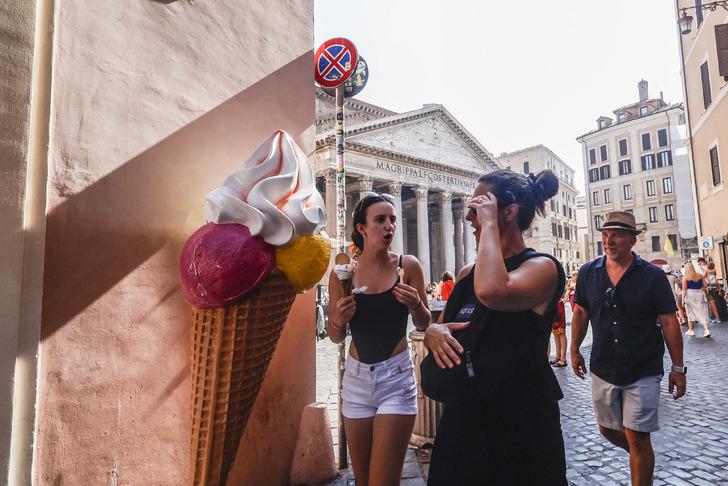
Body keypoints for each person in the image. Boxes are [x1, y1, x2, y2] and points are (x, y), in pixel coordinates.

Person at [425, 169, 567, 485]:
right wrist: (432, 333)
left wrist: (489, 225)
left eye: (478, 208)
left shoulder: (542, 267)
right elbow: (442, 326)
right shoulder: (465, 275)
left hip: (520, 425)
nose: (469, 218)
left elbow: (493, 291)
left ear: (509, 211)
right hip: (465, 419)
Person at [570, 211, 686, 486]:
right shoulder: (588, 273)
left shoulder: (653, 276)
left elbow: (670, 322)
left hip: (642, 367)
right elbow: (580, 312)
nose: (609, 241)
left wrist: (678, 368)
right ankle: (641, 455)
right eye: (606, 235)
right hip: (603, 365)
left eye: (618, 235)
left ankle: (640, 457)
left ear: (632, 240)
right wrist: (573, 349)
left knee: (637, 435)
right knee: (607, 429)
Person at [327, 191, 431, 486]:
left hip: (396, 380)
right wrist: (338, 318)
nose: (389, 227)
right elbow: (336, 337)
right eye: (380, 220)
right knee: (363, 481)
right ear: (362, 228)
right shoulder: (342, 274)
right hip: (357, 381)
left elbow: (424, 323)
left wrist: (416, 305)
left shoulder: (407, 266)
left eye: (393, 220)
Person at [682, 261, 711, 337]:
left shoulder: (685, 277)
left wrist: (682, 299)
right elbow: (705, 286)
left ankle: (691, 330)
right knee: (702, 311)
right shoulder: (700, 275)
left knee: (690, 312)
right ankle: (706, 329)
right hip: (700, 294)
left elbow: (684, 290)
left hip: (690, 295)